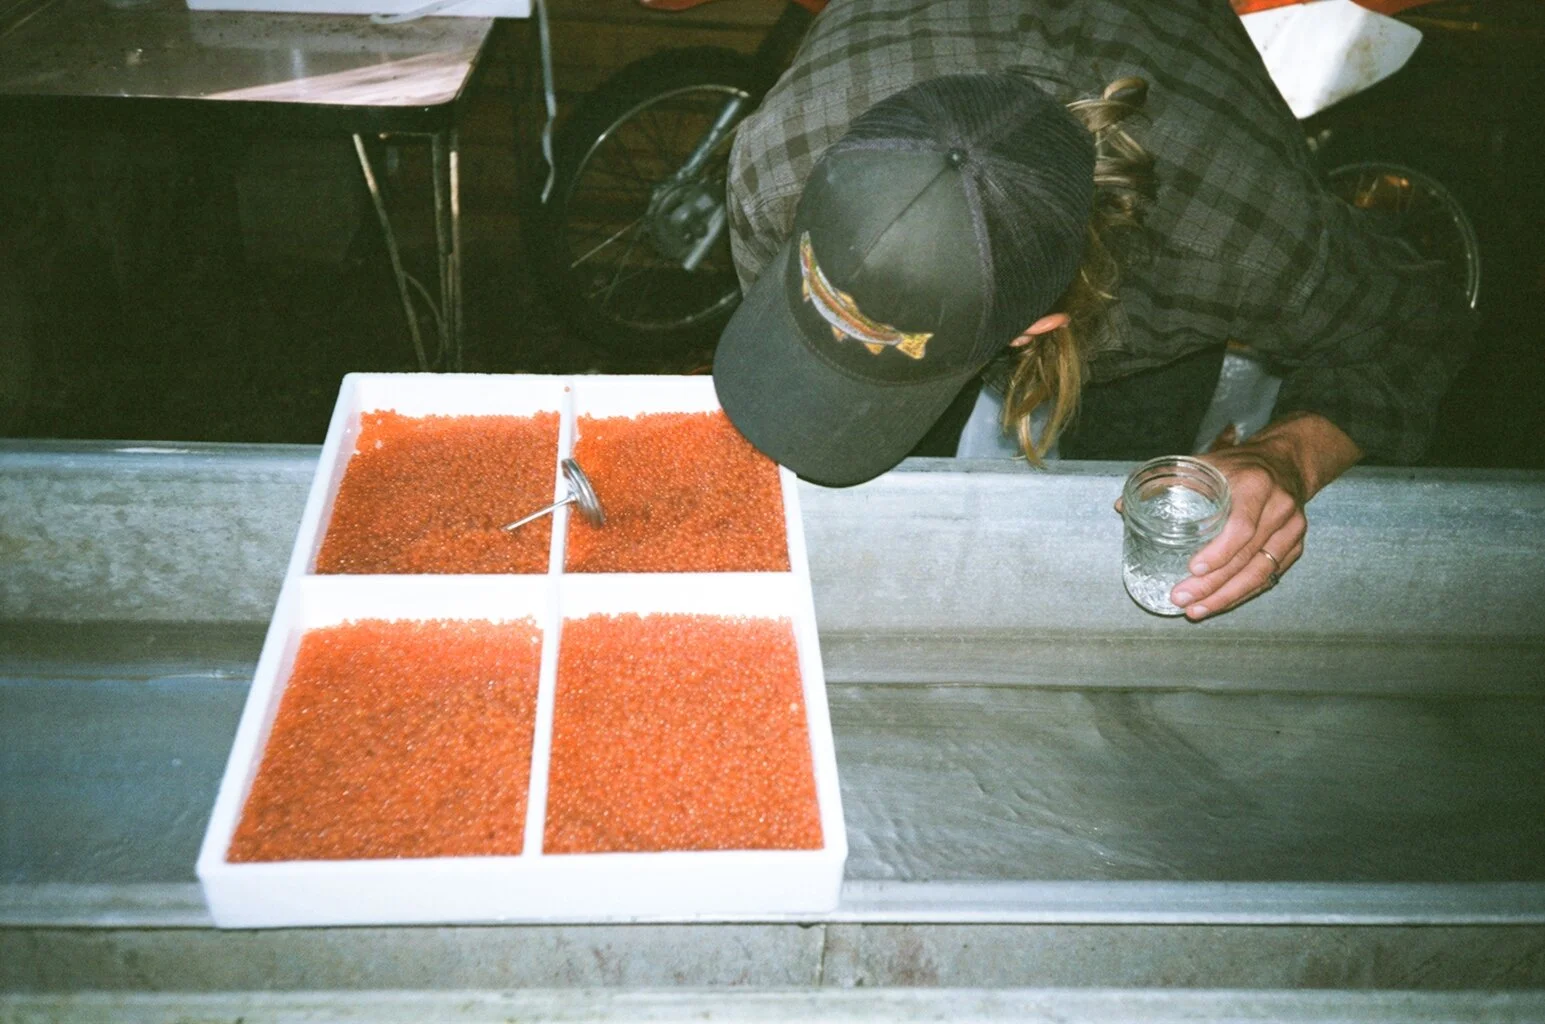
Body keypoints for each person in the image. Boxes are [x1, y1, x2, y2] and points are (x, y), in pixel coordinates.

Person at [710, 0, 1472, 620]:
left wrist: (1285, 457)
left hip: (1158, 242)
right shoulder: (778, 159)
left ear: (1030, 330)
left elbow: (1417, 325)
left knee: (1135, 464)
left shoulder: (1234, 245)